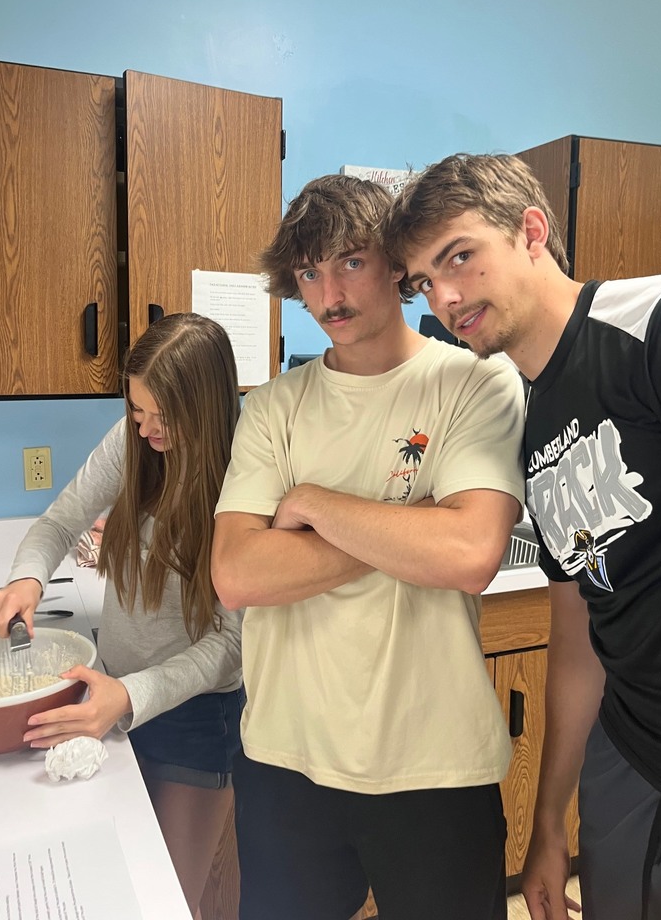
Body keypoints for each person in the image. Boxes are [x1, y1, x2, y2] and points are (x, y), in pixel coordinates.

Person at [211, 174, 525, 920]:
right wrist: (413, 521)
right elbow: (237, 573)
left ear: (395, 265)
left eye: (349, 262)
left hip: (436, 768)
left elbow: (470, 553)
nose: (328, 296)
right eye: (309, 273)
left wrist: (314, 506)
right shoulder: (273, 408)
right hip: (287, 764)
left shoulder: (476, 382)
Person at [381, 152, 661, 920]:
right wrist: (548, 823)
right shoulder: (530, 424)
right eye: (423, 280)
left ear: (532, 232)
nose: (444, 297)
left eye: (460, 256)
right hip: (631, 750)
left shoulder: (657, 326)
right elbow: (579, 628)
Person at [0, 313, 243, 917]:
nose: (147, 430)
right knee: (116, 885)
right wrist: (26, 578)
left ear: (204, 408)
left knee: (167, 901)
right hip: (111, 696)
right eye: (136, 411)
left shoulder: (242, 479)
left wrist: (127, 696)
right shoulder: (132, 443)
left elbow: (231, 645)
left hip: (195, 717)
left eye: (163, 416)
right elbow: (57, 523)